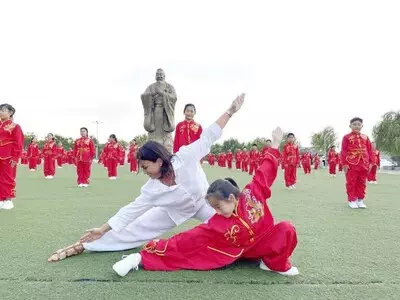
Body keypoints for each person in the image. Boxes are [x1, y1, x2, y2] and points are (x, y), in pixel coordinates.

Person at [48, 94, 245, 263]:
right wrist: (102, 229)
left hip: (205, 203)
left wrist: (230, 111)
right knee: (136, 228)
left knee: (231, 227)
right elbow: (129, 212)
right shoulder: (152, 189)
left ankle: (255, 249)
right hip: (173, 212)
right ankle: (86, 246)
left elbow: (208, 136)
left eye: (146, 167)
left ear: (159, 161)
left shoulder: (185, 156)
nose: (145, 172)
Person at [112, 126, 299, 277]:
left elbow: (265, 171)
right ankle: (138, 259)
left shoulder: (253, 194)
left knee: (287, 228)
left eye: (218, 206)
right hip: (234, 250)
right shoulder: (218, 222)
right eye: (213, 208)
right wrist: (153, 249)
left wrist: (275, 142)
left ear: (232, 198)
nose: (216, 212)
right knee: (192, 251)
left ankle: (272, 264)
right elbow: (188, 239)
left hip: (261, 243)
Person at [340, 117, 374, 209]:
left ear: (362, 126)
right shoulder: (346, 137)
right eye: (354, 124)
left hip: (364, 163)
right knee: (351, 182)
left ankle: (360, 200)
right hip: (351, 163)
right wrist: (344, 164)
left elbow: (370, 150)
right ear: (350, 126)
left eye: (359, 124)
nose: (357, 126)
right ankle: (352, 200)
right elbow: (343, 151)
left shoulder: (365, 137)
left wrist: (371, 162)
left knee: (362, 182)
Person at [0, 104, 24, 210]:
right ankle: (1, 199)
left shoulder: (15, 126)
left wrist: (15, 157)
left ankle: (8, 199)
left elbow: (19, 143)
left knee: (8, 178)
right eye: (0, 110)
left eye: (3, 110)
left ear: (10, 113)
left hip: (8, 156)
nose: (0, 112)